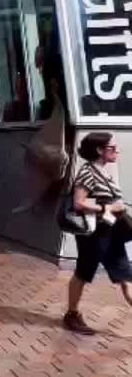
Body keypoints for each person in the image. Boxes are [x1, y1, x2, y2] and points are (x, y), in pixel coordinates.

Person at [63, 131, 132, 336]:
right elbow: (78, 203)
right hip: (96, 235)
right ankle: (71, 315)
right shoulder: (88, 172)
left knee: (117, 275)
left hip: (109, 233)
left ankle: (71, 314)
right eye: (111, 148)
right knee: (92, 273)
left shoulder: (103, 171)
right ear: (99, 150)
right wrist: (107, 208)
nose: (116, 151)